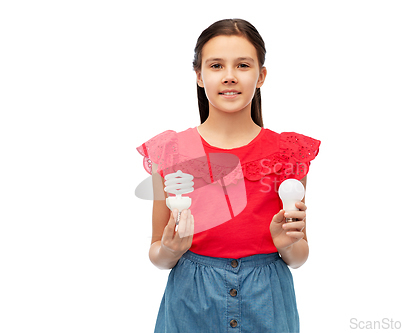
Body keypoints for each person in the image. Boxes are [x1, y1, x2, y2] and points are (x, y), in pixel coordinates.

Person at [136, 18, 321, 333]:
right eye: (217, 66)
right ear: (199, 75)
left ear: (261, 76)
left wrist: (286, 244)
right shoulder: (171, 152)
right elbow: (158, 253)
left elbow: (299, 255)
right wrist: (170, 249)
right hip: (190, 303)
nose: (230, 77)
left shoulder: (288, 152)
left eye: (243, 65)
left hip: (268, 300)